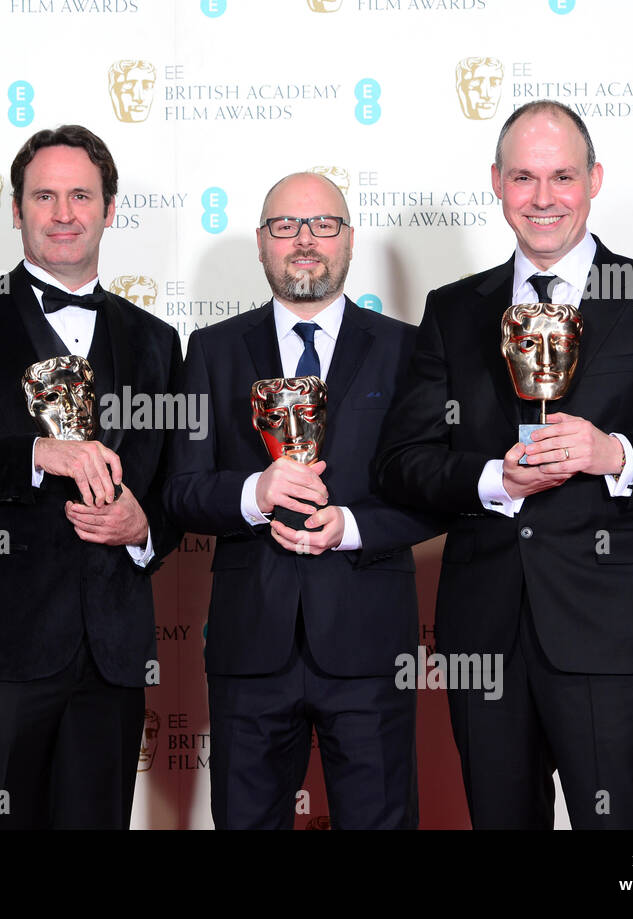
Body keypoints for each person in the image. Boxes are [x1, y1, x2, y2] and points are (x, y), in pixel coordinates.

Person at [375, 100, 633, 829]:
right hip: (486, 636)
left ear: (594, 179)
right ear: (496, 183)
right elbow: (400, 463)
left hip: (609, 636)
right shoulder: (454, 310)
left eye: (562, 176)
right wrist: (494, 479)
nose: (543, 198)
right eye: (523, 177)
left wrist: (615, 454)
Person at [0, 124, 182, 830]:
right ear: (16, 210)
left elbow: (172, 490)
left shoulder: (155, 342)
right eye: (43, 196)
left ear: (111, 209)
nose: (64, 212)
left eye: (81, 195)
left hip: (111, 651)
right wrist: (31, 454)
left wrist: (145, 530)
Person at [163, 172, 440, 830]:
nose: (305, 241)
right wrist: (252, 494)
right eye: (286, 226)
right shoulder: (211, 350)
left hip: (372, 651)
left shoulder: (408, 350)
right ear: (262, 243)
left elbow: (436, 492)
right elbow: (179, 491)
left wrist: (350, 526)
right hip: (248, 650)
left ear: (349, 240)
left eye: (323, 225)